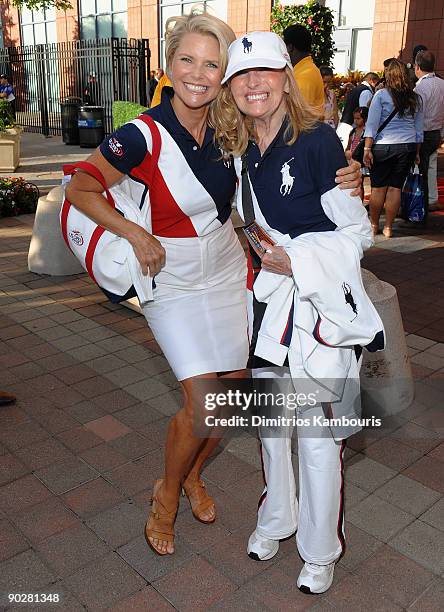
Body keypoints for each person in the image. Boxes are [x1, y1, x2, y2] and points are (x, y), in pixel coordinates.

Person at [66, 12, 362, 558]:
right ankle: (166, 497)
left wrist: (348, 176)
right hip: (170, 275)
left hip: (226, 269)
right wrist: (134, 233)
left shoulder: (233, 128)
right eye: (187, 60)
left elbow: (287, 160)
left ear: (224, 73)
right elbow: (81, 188)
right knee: (202, 400)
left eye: (212, 64)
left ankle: (196, 475)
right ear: (169, 63)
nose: (198, 74)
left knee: (231, 395)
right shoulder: (141, 134)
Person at [214, 31, 381, 595]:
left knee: (315, 439)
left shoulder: (317, 145)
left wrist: (299, 260)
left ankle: (319, 549)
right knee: (270, 430)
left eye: (264, 72)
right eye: (241, 75)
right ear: (230, 88)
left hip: (320, 314)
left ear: (287, 77)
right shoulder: (241, 152)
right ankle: (276, 519)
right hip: (271, 313)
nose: (253, 84)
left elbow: (358, 233)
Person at [363, 59, 423, 237]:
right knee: (395, 188)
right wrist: (417, 153)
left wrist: (367, 149)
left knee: (378, 188)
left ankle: (374, 224)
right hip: (407, 146)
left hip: (383, 146)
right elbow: (419, 129)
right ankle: (389, 227)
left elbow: (371, 126)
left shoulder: (381, 95)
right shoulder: (415, 98)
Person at [414, 50, 444, 217]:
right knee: (431, 165)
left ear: (417, 66)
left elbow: (417, 114)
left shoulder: (420, 88)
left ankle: (420, 201)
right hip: (435, 132)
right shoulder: (442, 84)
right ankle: (432, 198)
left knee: (418, 168)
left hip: (422, 133)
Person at [282, 24, 324, 114]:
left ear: (290, 47)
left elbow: (299, 115)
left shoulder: (304, 76)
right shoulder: (306, 70)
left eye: (283, 46)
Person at [336, 72, 379, 149]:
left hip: (344, 125)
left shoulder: (356, 89)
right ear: (372, 80)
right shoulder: (366, 92)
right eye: (377, 82)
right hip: (353, 128)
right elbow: (363, 112)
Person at [346, 106, 369, 200]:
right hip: (353, 160)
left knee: (361, 182)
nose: (356, 121)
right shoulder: (353, 131)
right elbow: (348, 145)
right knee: (356, 183)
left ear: (365, 118)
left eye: (358, 118)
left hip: (362, 160)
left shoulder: (367, 132)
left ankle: (361, 202)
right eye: (354, 118)